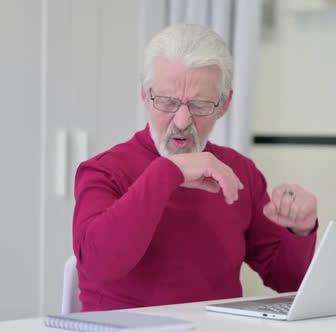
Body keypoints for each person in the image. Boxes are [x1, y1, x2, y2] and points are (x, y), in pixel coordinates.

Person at [72, 24, 318, 312]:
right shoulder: (104, 170)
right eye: (167, 101)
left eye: (200, 105)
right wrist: (169, 172)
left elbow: (287, 280)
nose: (181, 121)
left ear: (224, 104)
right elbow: (99, 264)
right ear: (144, 95)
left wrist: (300, 230)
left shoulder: (238, 171)